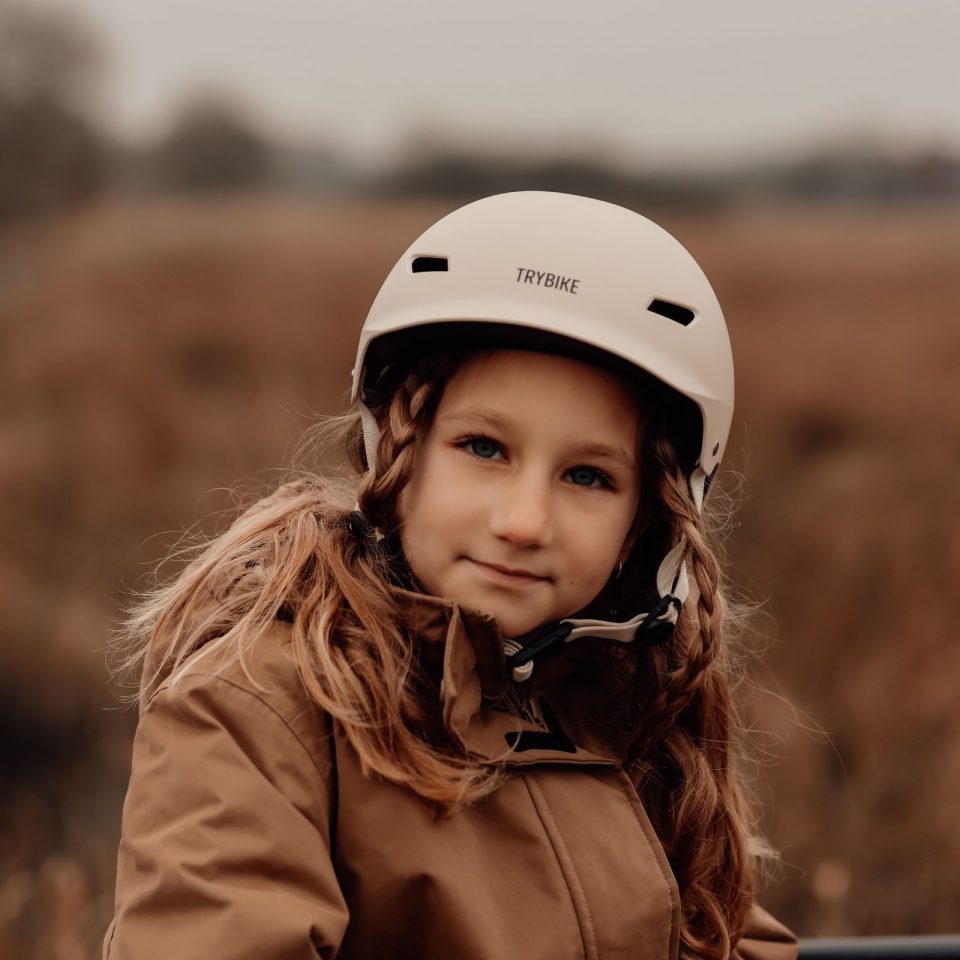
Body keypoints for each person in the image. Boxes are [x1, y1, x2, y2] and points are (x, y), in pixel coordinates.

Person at [103, 191, 798, 960]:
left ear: (647, 520)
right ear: (397, 449)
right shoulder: (259, 706)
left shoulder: (640, 707)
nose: (525, 521)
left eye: (588, 477)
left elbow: (727, 935)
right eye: (484, 448)